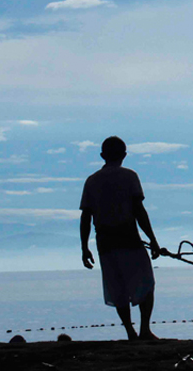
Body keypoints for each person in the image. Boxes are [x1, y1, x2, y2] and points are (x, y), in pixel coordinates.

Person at [80, 136, 161, 341]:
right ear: (124, 155)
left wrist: (84, 247)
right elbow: (138, 211)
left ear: (102, 156)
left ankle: (130, 332)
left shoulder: (92, 181)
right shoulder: (130, 177)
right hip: (130, 239)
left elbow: (85, 217)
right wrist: (153, 239)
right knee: (146, 284)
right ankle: (144, 330)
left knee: (118, 289)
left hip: (105, 243)